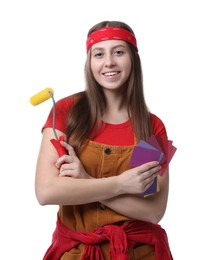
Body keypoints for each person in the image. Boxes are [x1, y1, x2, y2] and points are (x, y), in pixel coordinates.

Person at [35, 20, 173, 260]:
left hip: (138, 254)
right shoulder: (67, 112)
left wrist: (86, 181)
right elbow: (46, 191)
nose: (109, 62)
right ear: (90, 63)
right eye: (99, 54)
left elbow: (152, 211)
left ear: (133, 59)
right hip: (76, 253)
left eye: (118, 52)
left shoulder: (150, 127)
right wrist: (121, 184)